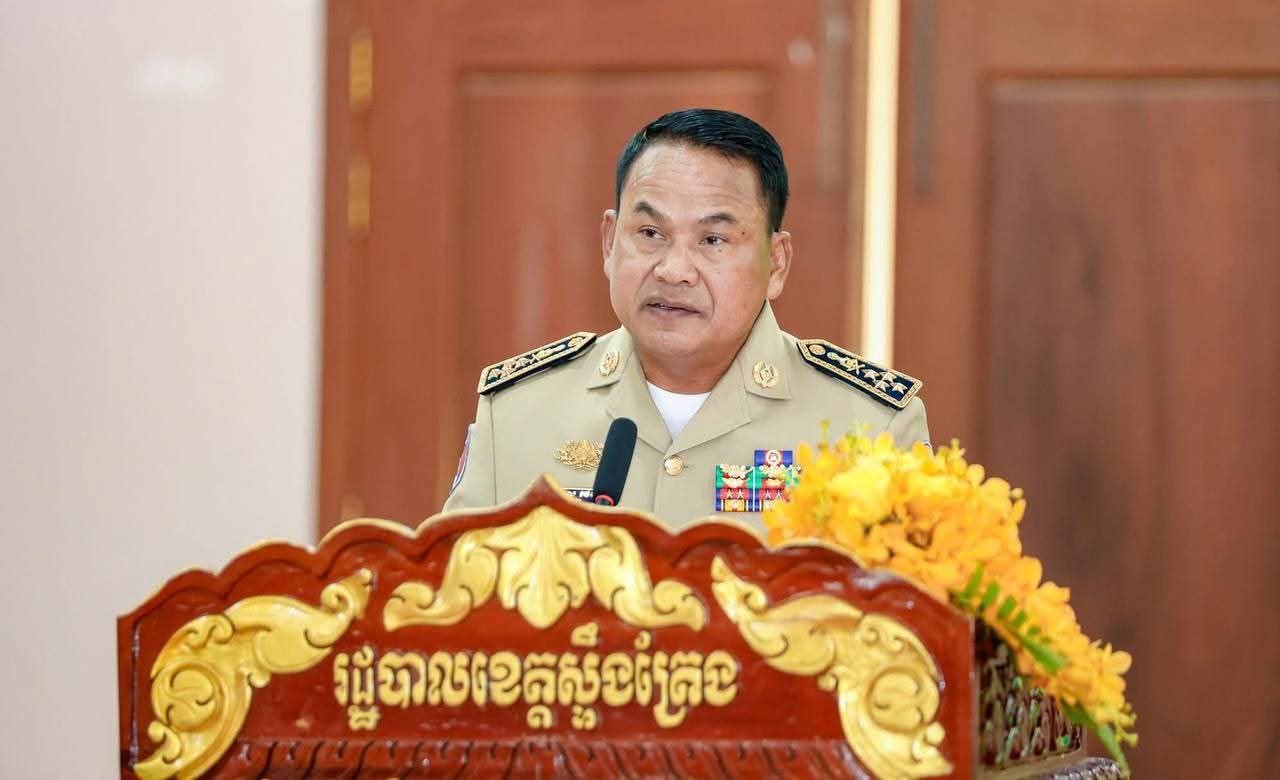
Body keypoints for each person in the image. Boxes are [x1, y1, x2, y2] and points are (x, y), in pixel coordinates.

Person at [444, 108, 929, 529]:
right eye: (650, 233)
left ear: (776, 263)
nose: (673, 270)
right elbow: (450, 594)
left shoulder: (871, 430)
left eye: (713, 240)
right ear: (610, 243)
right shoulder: (515, 413)